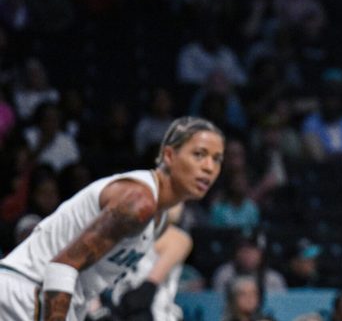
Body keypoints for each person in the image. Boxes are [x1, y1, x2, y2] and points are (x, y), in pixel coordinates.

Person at [0, 116, 224, 321]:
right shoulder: (137, 202)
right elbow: (62, 267)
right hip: (27, 293)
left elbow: (86, 276)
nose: (209, 167)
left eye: (217, 159)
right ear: (169, 155)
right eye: (199, 154)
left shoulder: (158, 218)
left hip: (51, 299)